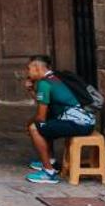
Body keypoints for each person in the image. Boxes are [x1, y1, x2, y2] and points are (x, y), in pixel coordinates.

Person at [23, 53, 97, 184]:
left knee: (35, 128)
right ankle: (49, 160)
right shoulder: (55, 77)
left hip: (78, 124)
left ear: (37, 68)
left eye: (29, 69)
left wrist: (29, 123)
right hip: (86, 120)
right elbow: (47, 106)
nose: (28, 73)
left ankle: (48, 172)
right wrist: (31, 91)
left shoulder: (44, 84)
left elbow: (40, 117)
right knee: (47, 121)